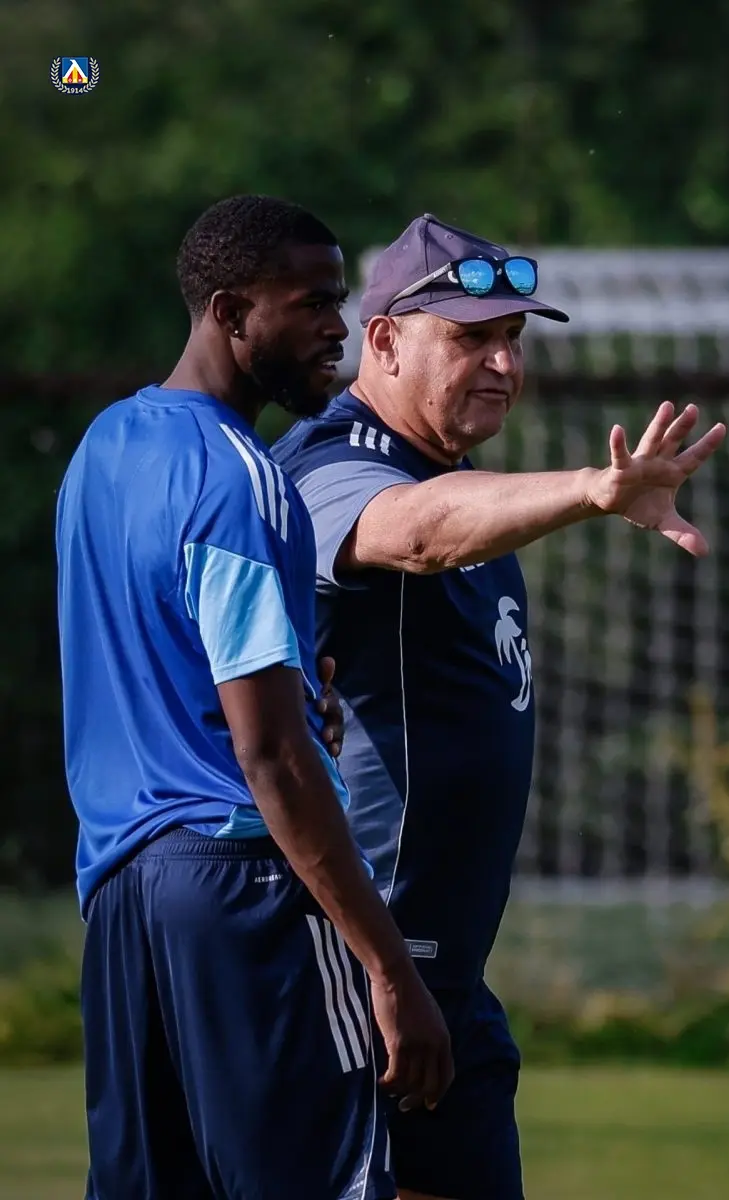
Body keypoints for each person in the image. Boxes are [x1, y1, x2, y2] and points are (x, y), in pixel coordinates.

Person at [271, 213, 727, 1200]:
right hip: (362, 971)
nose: (504, 364)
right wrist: (593, 489)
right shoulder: (328, 462)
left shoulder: (462, 478)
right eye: (471, 338)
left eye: (513, 338)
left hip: (439, 973)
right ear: (383, 339)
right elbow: (415, 533)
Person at [55, 195, 453, 1200]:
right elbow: (270, 755)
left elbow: (172, 664)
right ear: (232, 313)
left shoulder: (103, 448)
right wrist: (391, 970)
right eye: (311, 303)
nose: (337, 328)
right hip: (245, 889)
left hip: (124, 894)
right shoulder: (242, 477)